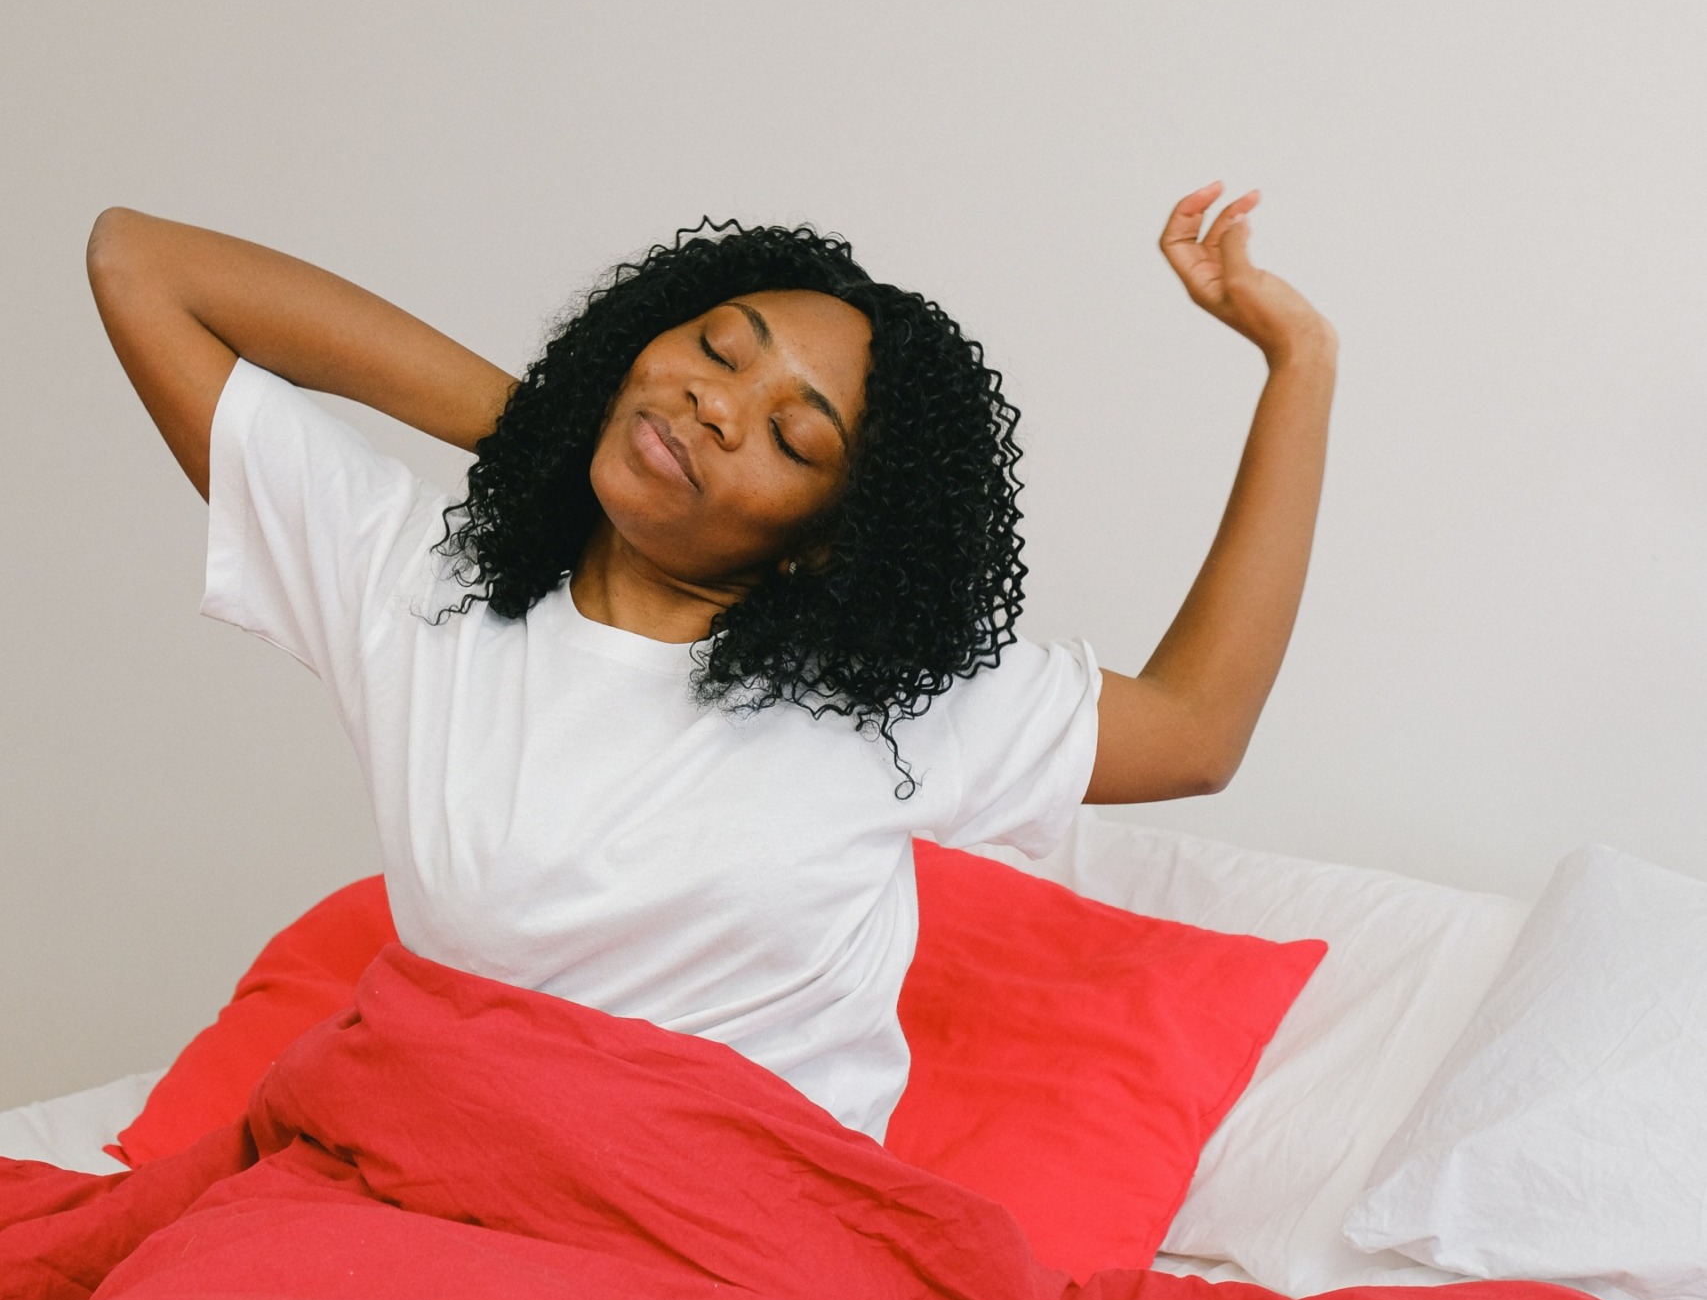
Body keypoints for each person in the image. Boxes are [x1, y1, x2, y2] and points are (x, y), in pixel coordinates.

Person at [86, 191, 1336, 1141]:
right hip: (449, 1184)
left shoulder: (884, 704)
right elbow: (141, 262)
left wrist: (1299, 364)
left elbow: (1194, 726)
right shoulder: (420, 586)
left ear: (819, 546)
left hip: (739, 1239)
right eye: (716, 349)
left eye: (793, 436)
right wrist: (552, 428)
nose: (715, 406)